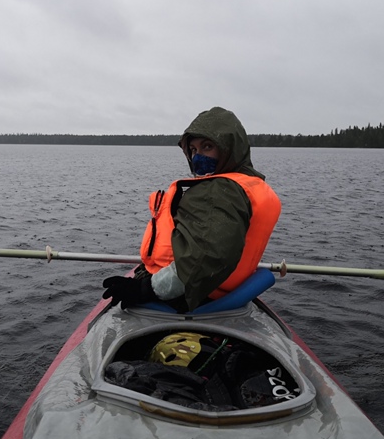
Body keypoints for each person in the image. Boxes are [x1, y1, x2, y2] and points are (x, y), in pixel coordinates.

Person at [102, 106, 281, 311]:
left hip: (188, 296)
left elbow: (204, 260)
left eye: (207, 147)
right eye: (193, 150)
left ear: (229, 148)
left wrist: (144, 289)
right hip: (220, 290)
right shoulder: (249, 185)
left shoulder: (218, 192)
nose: (197, 157)